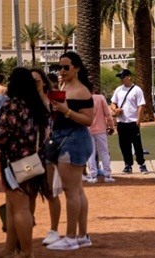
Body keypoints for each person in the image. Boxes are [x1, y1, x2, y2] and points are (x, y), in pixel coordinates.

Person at [0, 67, 49, 258]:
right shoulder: (35, 105)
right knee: (15, 204)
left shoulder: (13, 105)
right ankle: (9, 249)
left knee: (19, 206)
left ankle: (26, 252)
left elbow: (1, 135)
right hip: (33, 160)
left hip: (14, 162)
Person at [45, 51, 95, 250]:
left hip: (74, 140)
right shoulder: (65, 87)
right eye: (60, 67)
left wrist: (66, 110)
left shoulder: (82, 91)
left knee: (70, 191)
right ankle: (81, 236)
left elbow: (88, 120)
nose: (62, 71)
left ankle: (72, 237)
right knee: (77, 190)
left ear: (76, 68)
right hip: (66, 138)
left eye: (66, 67)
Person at [30, 68, 63, 247]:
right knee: (30, 193)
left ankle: (54, 230)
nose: (34, 83)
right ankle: (27, 227)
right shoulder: (25, 102)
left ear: (43, 80)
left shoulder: (53, 99)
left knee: (50, 192)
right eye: (31, 81)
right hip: (30, 153)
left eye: (36, 80)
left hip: (49, 151)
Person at [110, 69, 148, 174]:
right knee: (124, 145)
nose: (121, 79)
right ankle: (128, 164)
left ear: (129, 77)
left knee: (137, 144)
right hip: (122, 122)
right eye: (120, 77)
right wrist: (115, 109)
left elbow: (140, 106)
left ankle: (141, 164)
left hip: (133, 122)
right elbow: (113, 103)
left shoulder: (137, 90)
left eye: (123, 77)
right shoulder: (118, 90)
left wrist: (138, 120)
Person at [86, 89, 115, 183]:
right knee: (104, 152)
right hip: (101, 129)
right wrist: (111, 126)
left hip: (88, 130)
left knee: (91, 153)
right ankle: (107, 175)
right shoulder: (100, 97)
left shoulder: (83, 99)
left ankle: (93, 176)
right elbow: (108, 114)